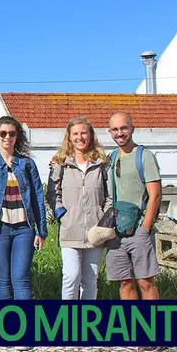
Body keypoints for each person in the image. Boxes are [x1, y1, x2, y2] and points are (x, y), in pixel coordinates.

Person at [0, 116, 47, 329]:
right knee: (2, 280)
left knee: (21, 278)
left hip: (24, 229)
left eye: (12, 133)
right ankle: (5, 329)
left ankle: (22, 330)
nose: (7, 137)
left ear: (18, 136)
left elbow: (37, 198)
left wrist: (41, 231)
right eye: (3, 133)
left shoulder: (27, 164)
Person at [105, 112, 163, 352]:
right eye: (115, 129)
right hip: (116, 232)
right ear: (109, 132)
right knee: (125, 283)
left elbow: (155, 195)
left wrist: (145, 229)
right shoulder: (111, 158)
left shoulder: (144, 156)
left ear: (132, 128)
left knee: (145, 282)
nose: (120, 133)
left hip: (138, 229)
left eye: (124, 128)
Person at [47, 117, 111, 301]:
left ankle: (86, 321)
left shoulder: (101, 163)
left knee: (91, 279)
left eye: (84, 133)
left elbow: (110, 196)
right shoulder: (61, 163)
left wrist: (103, 219)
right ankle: (68, 322)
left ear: (90, 135)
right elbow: (52, 194)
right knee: (71, 277)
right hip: (70, 230)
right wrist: (63, 215)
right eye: (75, 133)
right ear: (69, 136)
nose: (79, 137)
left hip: (96, 231)